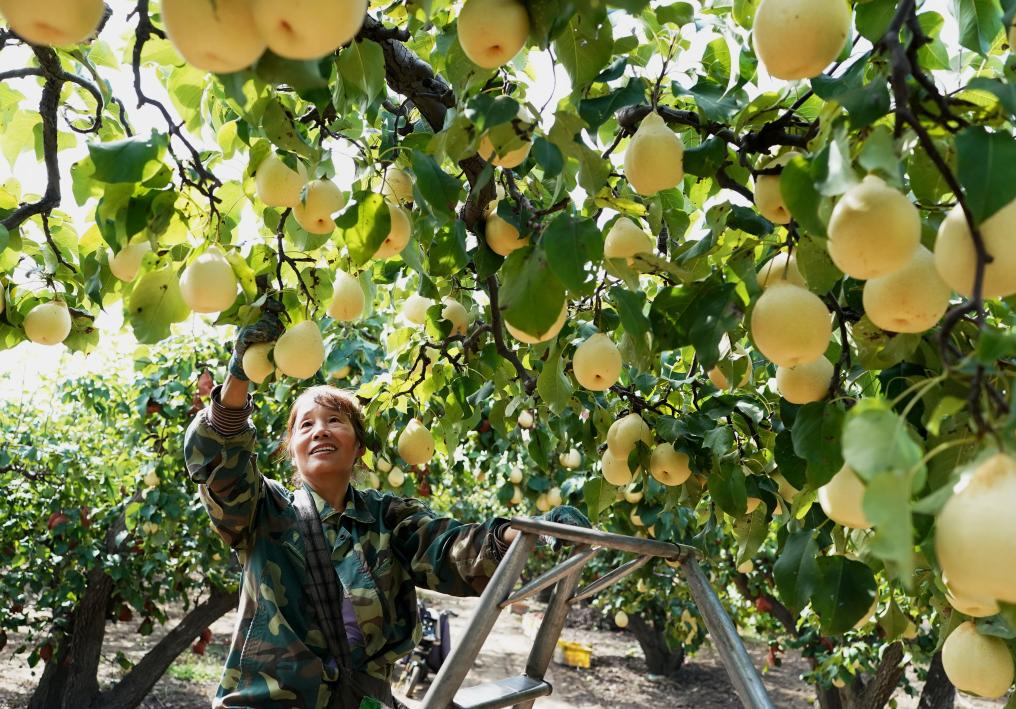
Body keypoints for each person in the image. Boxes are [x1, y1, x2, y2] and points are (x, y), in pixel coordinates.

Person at [183, 302, 591, 709]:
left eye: (335, 421)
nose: (320, 430)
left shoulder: (388, 519)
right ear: (292, 451)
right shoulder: (263, 511)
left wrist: (523, 530)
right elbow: (218, 461)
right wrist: (239, 375)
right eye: (306, 425)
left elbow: (451, 550)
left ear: (359, 447)